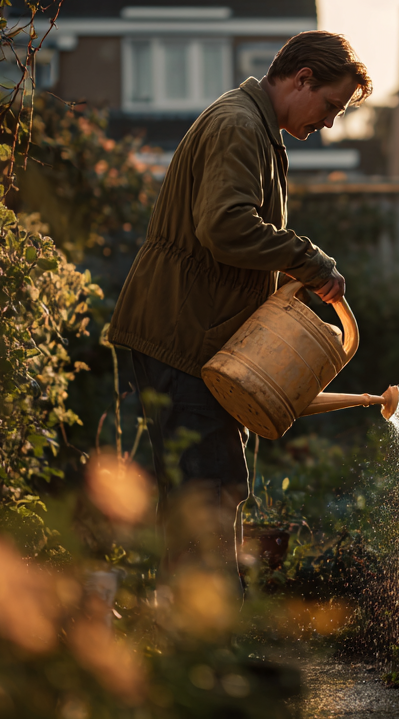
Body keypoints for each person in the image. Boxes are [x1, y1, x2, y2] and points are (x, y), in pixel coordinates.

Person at [107, 30, 372, 572]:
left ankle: (197, 639)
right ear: (302, 79)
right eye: (329, 105)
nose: (327, 123)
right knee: (206, 493)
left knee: (208, 489)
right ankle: (203, 644)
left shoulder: (257, 129)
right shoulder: (238, 125)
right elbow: (225, 227)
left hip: (193, 336)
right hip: (182, 336)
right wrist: (309, 260)